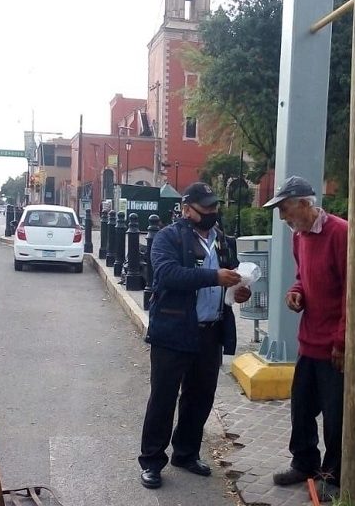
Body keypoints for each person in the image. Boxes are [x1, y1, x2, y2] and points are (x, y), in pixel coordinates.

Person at [139, 182, 250, 489]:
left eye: (215, 207)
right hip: (173, 331)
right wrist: (213, 276)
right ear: (187, 209)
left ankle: (186, 453)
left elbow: (231, 277)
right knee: (163, 399)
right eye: (206, 208)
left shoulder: (223, 241)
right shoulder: (167, 237)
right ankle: (151, 461)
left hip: (210, 331)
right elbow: (166, 274)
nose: (212, 213)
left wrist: (238, 291)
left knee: (200, 398)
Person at [264, 177, 349, 500]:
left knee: (335, 416)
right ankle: (304, 462)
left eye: (285, 209)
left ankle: (332, 474)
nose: (284, 218)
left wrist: (341, 341)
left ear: (304, 203)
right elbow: (302, 276)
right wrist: (296, 293)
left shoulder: (340, 233)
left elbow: (350, 290)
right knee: (301, 408)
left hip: (332, 345)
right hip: (309, 339)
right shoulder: (299, 237)